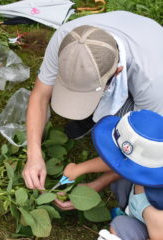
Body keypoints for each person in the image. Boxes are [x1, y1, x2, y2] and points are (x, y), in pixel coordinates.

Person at [22, 11, 163, 209]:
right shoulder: (66, 39)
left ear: (117, 72)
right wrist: (33, 154)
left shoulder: (153, 79)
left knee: (133, 136)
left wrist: (98, 182)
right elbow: (40, 96)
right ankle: (93, 111)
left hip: (151, 81)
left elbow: (139, 151)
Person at [63, 110, 163, 240]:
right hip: (141, 206)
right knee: (120, 182)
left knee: (120, 227)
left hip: (155, 229)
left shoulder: (155, 213)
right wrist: (78, 169)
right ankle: (129, 211)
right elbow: (118, 160)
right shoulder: (155, 159)